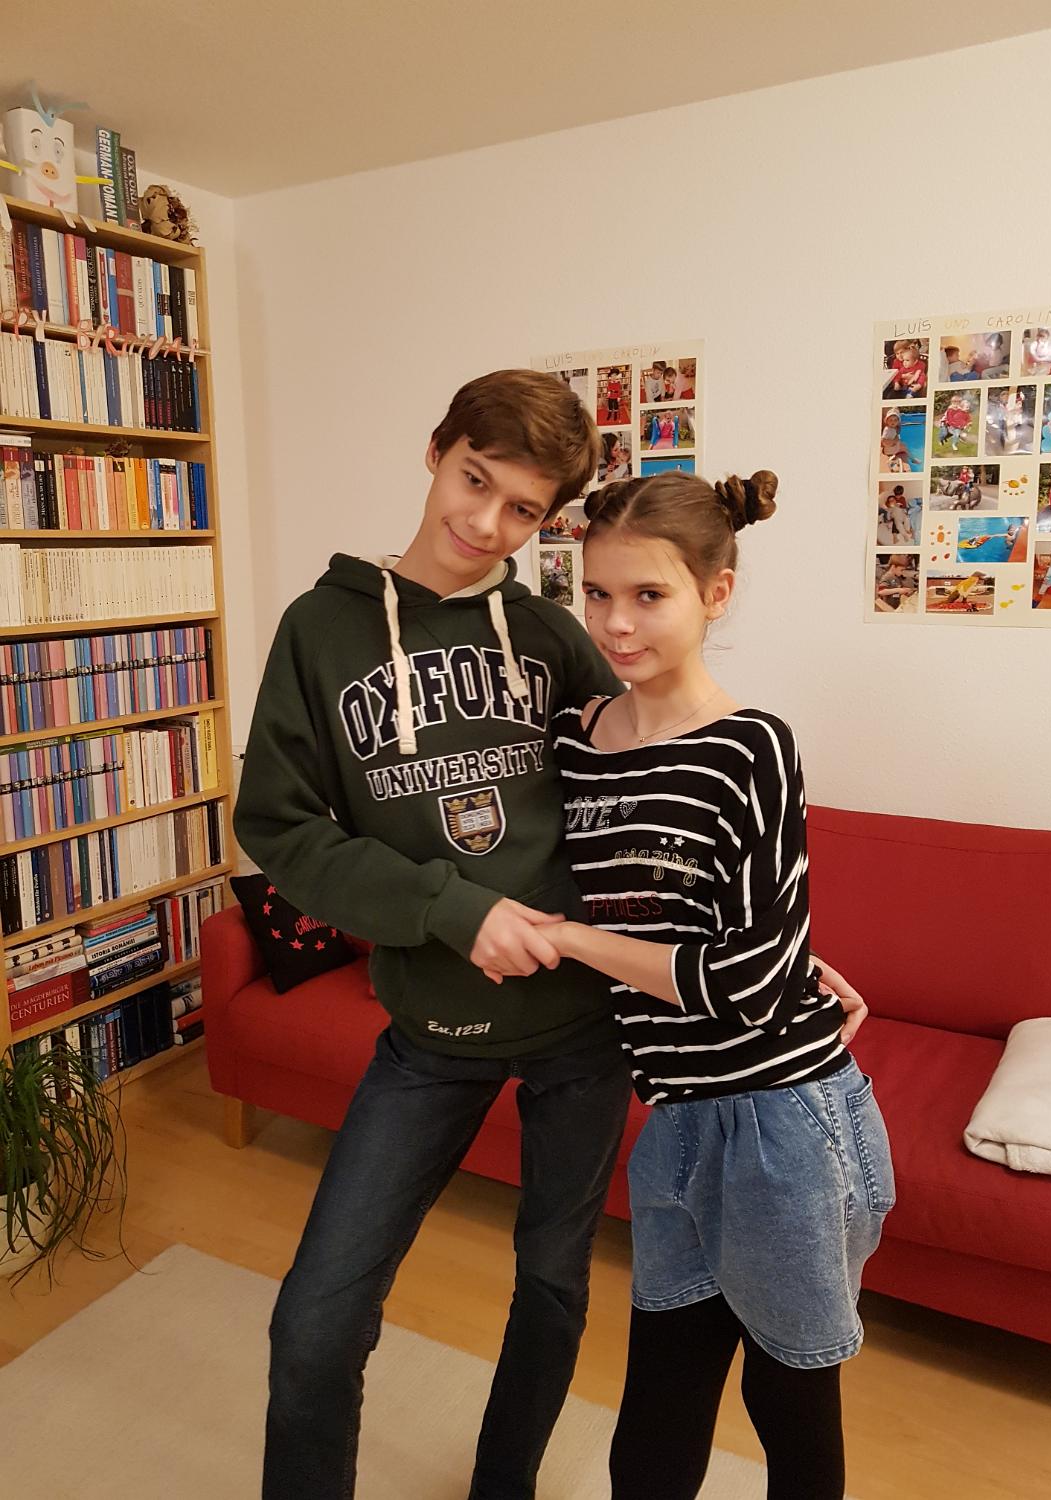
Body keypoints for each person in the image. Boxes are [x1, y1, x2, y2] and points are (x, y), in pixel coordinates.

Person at [235, 368, 637, 1500]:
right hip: (431, 1034)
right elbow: (278, 826)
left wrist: (762, 927)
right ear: (436, 450)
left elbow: (646, 793)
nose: (487, 523)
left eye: (523, 509)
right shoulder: (321, 630)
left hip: (583, 1031)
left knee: (552, 1287)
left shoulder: (552, 635)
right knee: (316, 1319)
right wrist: (453, 911)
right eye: (475, 481)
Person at [536, 469, 889, 1500]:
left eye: (648, 595)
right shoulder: (575, 743)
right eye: (597, 593)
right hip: (679, 1116)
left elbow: (745, 981)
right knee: (660, 1400)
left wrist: (576, 940)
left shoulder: (751, 746)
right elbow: (693, 923)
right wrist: (783, 952)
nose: (615, 622)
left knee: (791, 1404)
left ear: (715, 594)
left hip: (784, 1117)